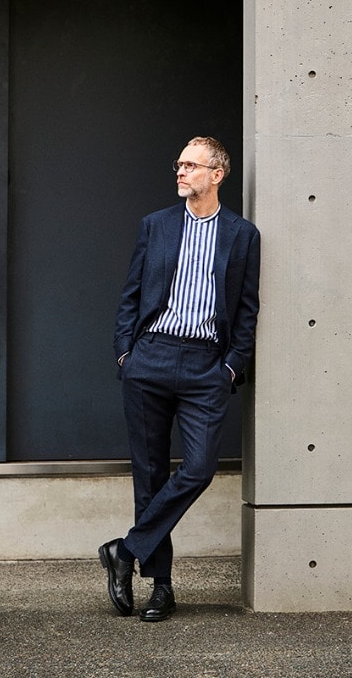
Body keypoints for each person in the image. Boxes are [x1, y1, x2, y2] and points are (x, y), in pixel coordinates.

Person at [99, 136, 260, 622]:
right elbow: (131, 293)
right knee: (149, 476)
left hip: (206, 365)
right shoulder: (156, 224)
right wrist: (126, 353)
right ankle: (161, 587)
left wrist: (230, 366)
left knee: (199, 468)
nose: (181, 171)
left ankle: (125, 551)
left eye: (191, 165)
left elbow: (247, 309)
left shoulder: (242, 235)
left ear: (217, 174)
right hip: (150, 358)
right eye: (180, 164)